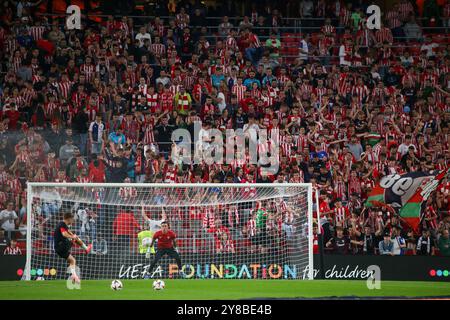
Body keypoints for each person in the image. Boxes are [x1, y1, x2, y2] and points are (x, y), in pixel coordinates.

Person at [54, 212, 92, 284]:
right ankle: (86, 248)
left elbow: (67, 232)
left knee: (72, 260)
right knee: (75, 238)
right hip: (62, 246)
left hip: (58, 249)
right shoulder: (62, 224)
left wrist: (72, 235)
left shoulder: (63, 226)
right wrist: (72, 237)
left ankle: (74, 276)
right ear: (69, 218)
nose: (73, 221)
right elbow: (64, 234)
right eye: (72, 219)